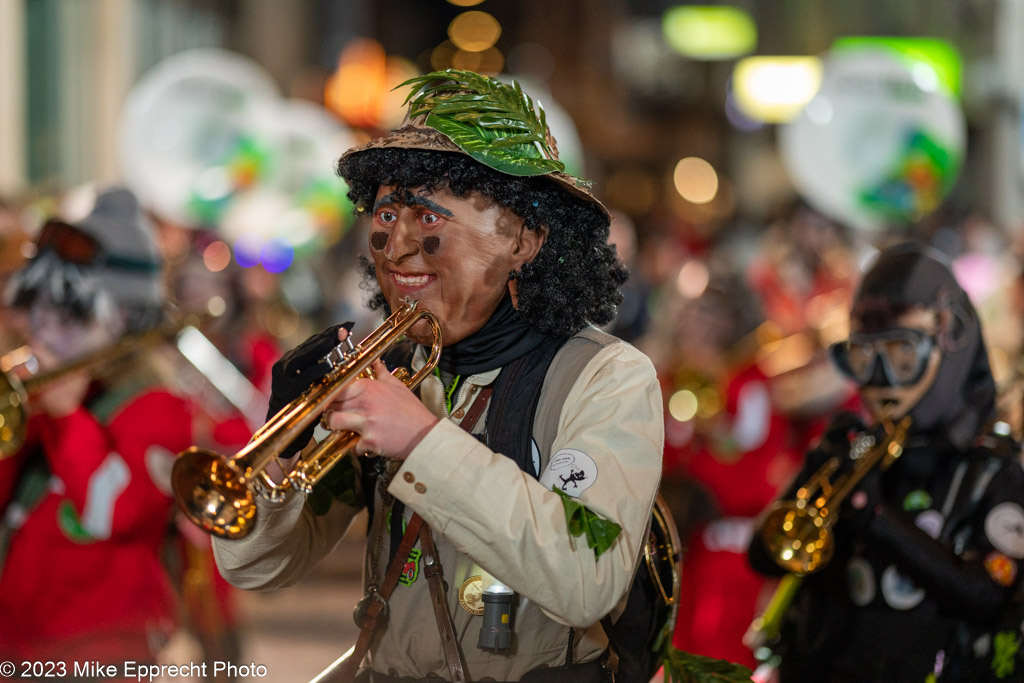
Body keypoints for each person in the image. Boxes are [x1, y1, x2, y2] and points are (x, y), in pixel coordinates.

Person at [209, 69, 663, 682]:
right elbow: (255, 569)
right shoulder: (389, 374)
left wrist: (421, 441)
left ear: (523, 240)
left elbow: (588, 580)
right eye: (387, 213)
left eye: (428, 218)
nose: (394, 247)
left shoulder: (606, 377)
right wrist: (282, 449)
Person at [747, 243, 1024, 682]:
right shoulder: (861, 449)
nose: (881, 381)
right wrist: (815, 471)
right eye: (863, 356)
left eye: (903, 354)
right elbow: (764, 558)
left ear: (951, 343)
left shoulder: (992, 470)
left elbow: (988, 595)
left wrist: (877, 517)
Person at [0, 186, 193, 668]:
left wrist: (68, 418)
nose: (42, 331)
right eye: (38, 310)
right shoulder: (49, 393)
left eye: (67, 315)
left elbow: (112, 514)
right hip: (19, 642)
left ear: (122, 318)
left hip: (103, 649)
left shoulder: (157, 405)